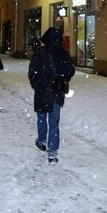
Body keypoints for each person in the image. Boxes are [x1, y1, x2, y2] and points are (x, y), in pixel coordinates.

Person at [28, 27, 75, 165]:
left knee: (42, 116)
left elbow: (32, 71)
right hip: (56, 91)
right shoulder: (64, 53)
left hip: (42, 90)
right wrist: (61, 78)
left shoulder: (40, 52)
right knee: (54, 122)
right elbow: (70, 71)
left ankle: (42, 140)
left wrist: (36, 83)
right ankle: (53, 153)